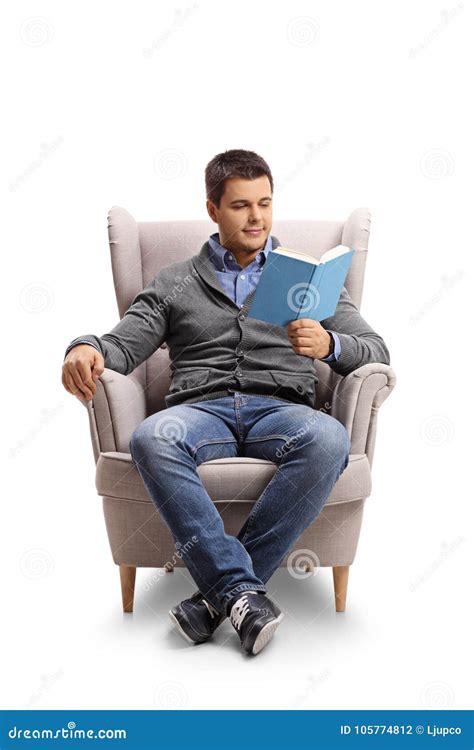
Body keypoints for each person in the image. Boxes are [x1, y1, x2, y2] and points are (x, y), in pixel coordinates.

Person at [62, 149, 390, 656]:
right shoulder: (173, 282)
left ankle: (215, 599)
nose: (257, 217)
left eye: (265, 203)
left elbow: (377, 352)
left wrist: (331, 346)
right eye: (241, 205)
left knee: (329, 438)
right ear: (213, 209)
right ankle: (241, 594)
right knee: (152, 437)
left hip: (283, 410)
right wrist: (83, 346)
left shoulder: (308, 278)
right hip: (201, 411)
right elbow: (123, 345)